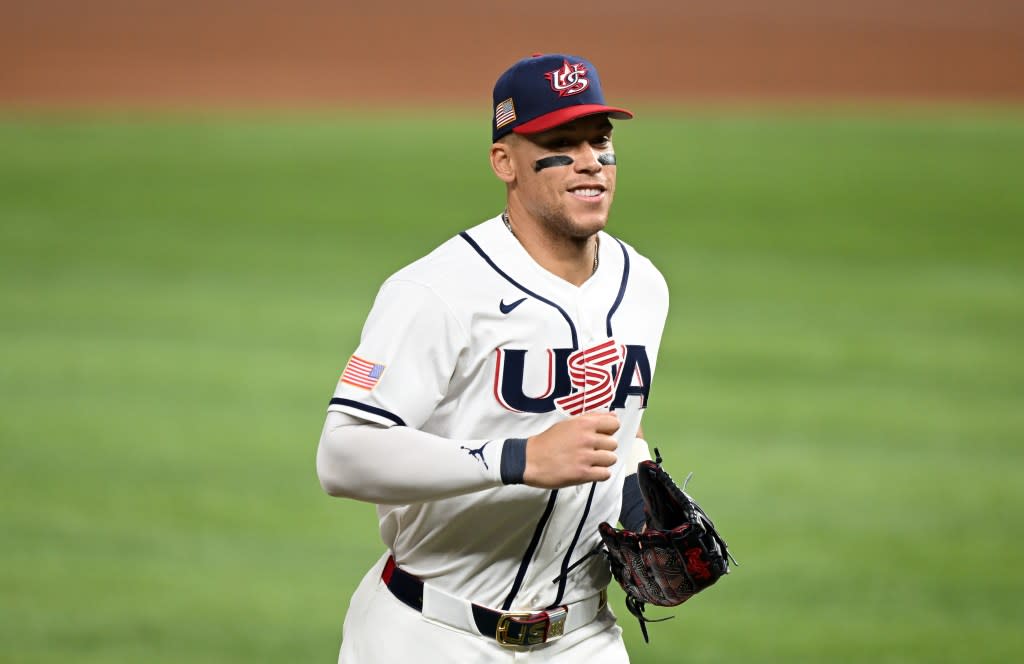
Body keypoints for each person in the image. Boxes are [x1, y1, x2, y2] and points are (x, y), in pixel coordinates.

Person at [316, 53, 670, 663]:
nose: (590, 162)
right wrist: (519, 458)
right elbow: (343, 456)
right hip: (433, 634)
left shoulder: (643, 284)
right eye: (561, 143)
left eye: (601, 141)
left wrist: (638, 486)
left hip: (584, 637)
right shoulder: (436, 291)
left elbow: (620, 426)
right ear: (504, 162)